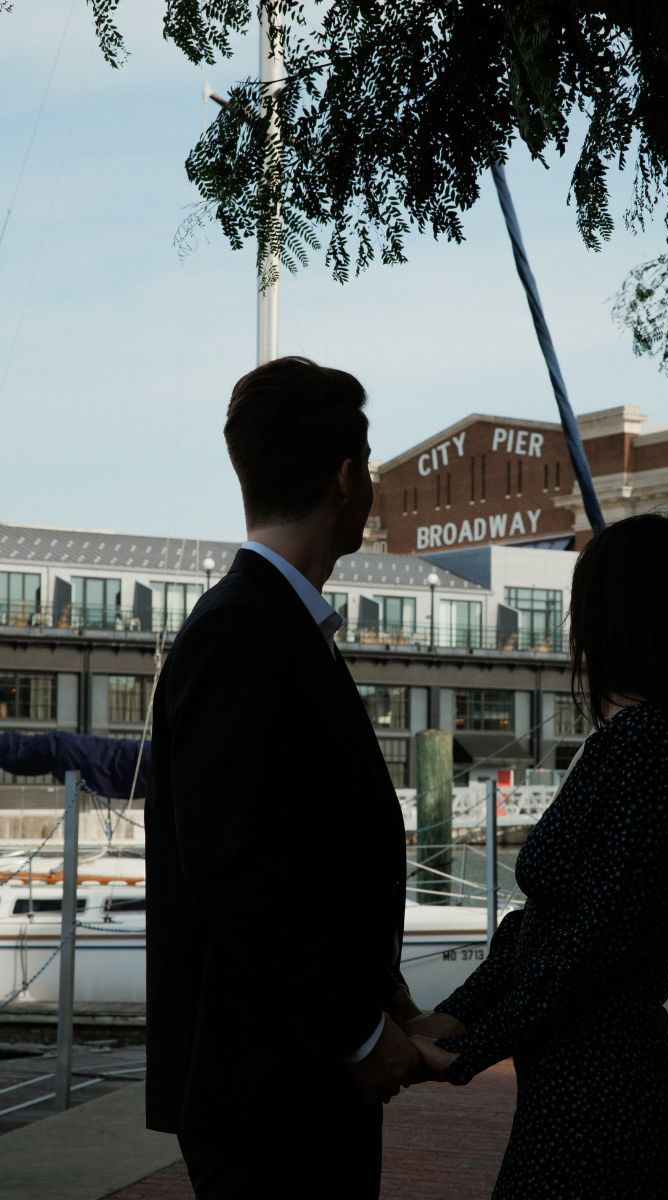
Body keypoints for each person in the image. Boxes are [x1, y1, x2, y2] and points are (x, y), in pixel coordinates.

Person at [409, 513, 668, 1198]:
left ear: (617, 620)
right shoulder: (659, 742)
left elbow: (590, 947)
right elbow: (543, 923)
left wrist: (460, 1053)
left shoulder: (642, 746)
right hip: (590, 1096)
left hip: (598, 1113)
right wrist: (455, 1015)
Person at [145, 356, 424, 1198]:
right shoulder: (247, 632)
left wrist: (390, 1006)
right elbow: (242, 873)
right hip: (269, 1095)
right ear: (347, 481)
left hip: (286, 1077)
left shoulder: (266, 625)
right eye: (369, 467)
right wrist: (362, 1035)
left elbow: (304, 856)